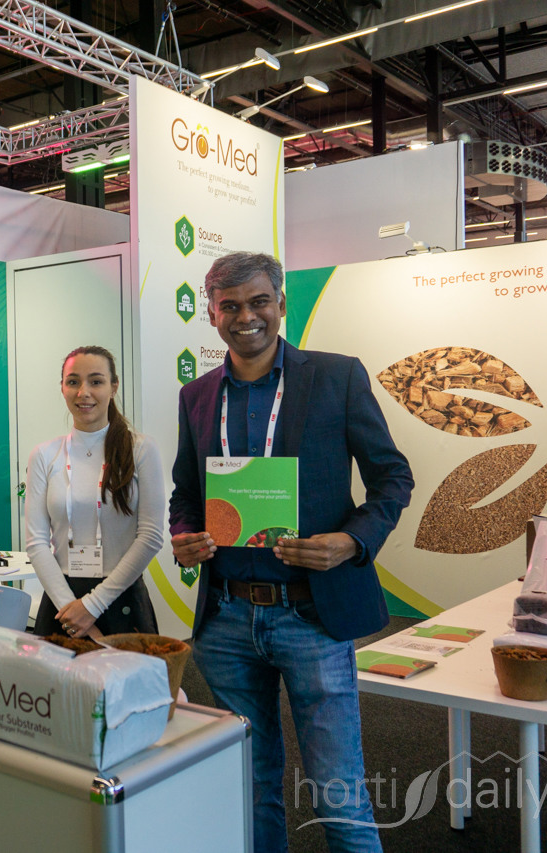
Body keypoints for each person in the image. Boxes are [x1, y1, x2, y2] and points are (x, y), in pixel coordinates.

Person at [169, 252, 413, 853]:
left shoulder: (336, 376)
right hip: (226, 619)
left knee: (338, 791)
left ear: (281, 303)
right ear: (211, 313)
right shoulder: (196, 395)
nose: (245, 317)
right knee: (251, 787)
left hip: (312, 614)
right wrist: (185, 535)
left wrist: (352, 541)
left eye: (258, 302)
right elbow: (186, 492)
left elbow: (392, 478)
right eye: (229, 306)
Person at [25, 345, 166, 639]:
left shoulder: (141, 449)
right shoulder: (44, 454)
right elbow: (36, 542)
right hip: (62, 604)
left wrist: (92, 606)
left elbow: (151, 536)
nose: (84, 392)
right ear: (62, 388)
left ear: (114, 387)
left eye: (96, 381)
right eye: (73, 381)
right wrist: (71, 609)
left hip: (121, 598)